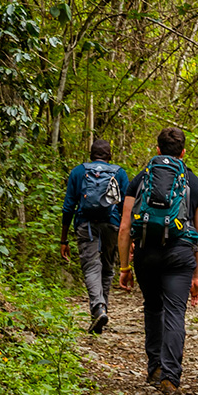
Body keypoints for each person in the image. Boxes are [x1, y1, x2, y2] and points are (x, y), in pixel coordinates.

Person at [117, 126, 198, 395]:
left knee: (153, 307)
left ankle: (154, 367)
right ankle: (170, 379)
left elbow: (124, 228)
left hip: (146, 253)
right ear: (183, 152)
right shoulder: (195, 184)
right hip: (180, 255)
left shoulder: (139, 180)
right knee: (174, 313)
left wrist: (124, 267)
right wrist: (196, 276)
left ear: (157, 150)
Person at [60, 138, 129, 335]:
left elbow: (68, 207)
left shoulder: (79, 172)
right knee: (107, 268)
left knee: (91, 266)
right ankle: (101, 308)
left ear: (91, 155)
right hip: (112, 225)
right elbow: (127, 207)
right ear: (110, 156)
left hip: (86, 224)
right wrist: (129, 237)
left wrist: (63, 239)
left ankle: (98, 308)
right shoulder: (119, 173)